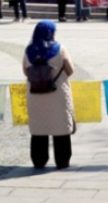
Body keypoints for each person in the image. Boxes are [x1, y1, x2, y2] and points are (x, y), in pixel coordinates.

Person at [22, 20, 75, 169]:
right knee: (61, 126)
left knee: (39, 127)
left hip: (35, 93)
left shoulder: (28, 50)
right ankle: (62, 160)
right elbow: (71, 70)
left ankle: (39, 160)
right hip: (58, 93)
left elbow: (25, 71)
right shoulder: (60, 49)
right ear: (51, 33)